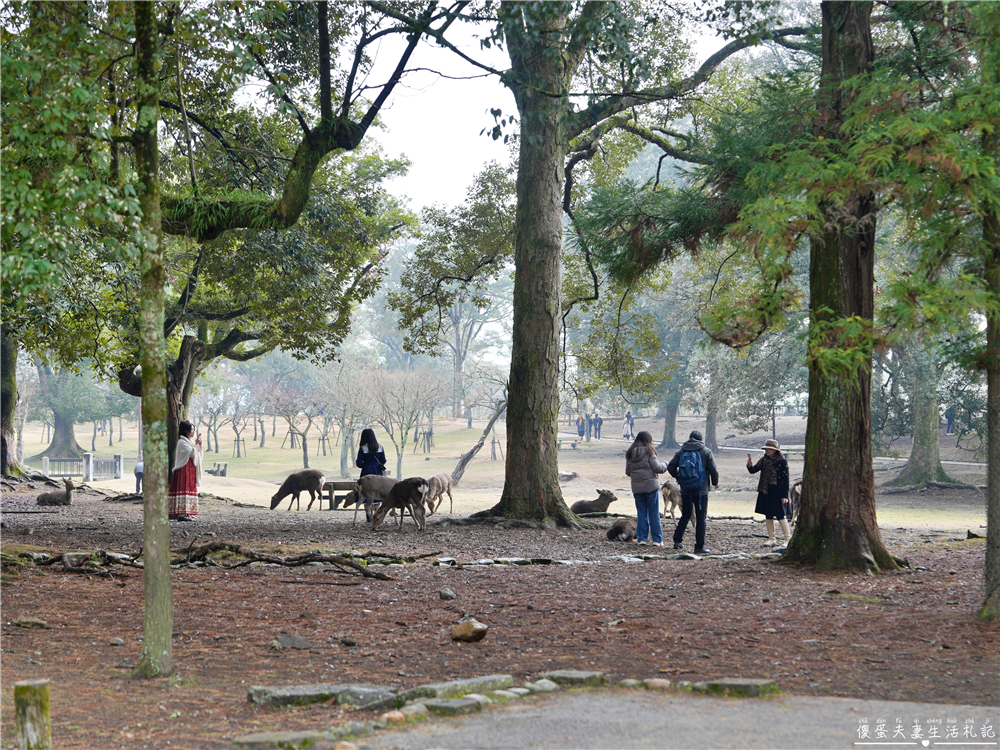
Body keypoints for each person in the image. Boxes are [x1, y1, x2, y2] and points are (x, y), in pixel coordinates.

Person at [667, 430, 720, 554]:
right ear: (701, 440)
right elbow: (713, 469)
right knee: (701, 518)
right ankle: (699, 546)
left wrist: (679, 477)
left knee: (686, 514)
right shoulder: (706, 451)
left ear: (689, 438)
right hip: (701, 490)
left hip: (686, 489)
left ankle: (677, 541)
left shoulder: (682, 451)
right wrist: (715, 482)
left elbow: (670, 467)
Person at [625, 431, 670, 546]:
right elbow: (658, 468)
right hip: (651, 487)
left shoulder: (630, 452)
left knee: (641, 513)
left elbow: (628, 472)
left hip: (637, 488)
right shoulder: (650, 451)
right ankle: (657, 539)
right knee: (654, 513)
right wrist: (666, 464)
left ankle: (642, 539)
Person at [747, 438, 790, 546]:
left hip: (778, 492)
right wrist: (749, 465)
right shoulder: (763, 460)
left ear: (775, 450)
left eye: (769, 449)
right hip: (766, 490)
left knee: (781, 515)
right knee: (768, 515)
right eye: (766, 448)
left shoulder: (782, 462)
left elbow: (786, 480)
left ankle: (787, 539)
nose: (767, 451)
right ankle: (772, 539)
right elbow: (753, 470)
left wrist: (785, 495)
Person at [169, 421, 203, 521]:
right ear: (185, 430)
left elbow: (196, 453)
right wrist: (196, 445)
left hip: (191, 469)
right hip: (184, 469)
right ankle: (182, 514)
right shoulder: (182, 442)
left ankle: (188, 512)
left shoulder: (190, 442)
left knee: (190, 487)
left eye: (194, 430)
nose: (193, 432)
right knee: (184, 487)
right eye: (191, 430)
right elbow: (191, 453)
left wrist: (198, 446)